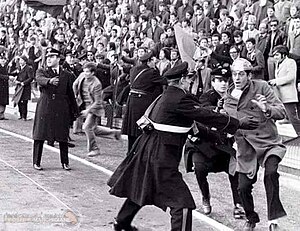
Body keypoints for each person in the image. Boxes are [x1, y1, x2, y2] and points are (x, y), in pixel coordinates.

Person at [108, 62, 258, 231]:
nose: (191, 82)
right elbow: (204, 115)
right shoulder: (179, 98)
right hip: (161, 156)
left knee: (144, 187)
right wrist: (238, 123)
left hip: (149, 151)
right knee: (183, 204)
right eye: (189, 79)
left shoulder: (167, 96)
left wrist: (218, 137)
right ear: (182, 81)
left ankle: (121, 223)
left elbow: (193, 126)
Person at [223, 58, 287, 231]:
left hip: (268, 142)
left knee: (271, 173)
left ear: (249, 75)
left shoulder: (262, 87)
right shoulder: (228, 97)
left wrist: (266, 108)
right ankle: (251, 218)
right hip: (245, 147)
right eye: (234, 74)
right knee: (242, 188)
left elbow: (281, 112)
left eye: (241, 74)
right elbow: (227, 121)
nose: (237, 78)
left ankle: (273, 219)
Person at [184, 67, 244, 218]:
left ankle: (238, 204)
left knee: (235, 169)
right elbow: (203, 107)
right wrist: (217, 110)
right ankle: (205, 197)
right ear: (213, 82)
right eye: (220, 81)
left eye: (226, 80)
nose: (223, 84)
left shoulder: (233, 97)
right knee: (199, 168)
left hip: (224, 144)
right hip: (205, 144)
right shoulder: (208, 96)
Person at [32, 48, 79, 171]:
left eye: (52, 57)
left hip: (60, 107)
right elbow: (39, 79)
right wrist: (49, 81)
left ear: (58, 59)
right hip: (45, 106)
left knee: (62, 136)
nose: (48, 59)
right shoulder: (41, 71)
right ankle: (36, 162)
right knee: (40, 135)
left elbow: (70, 94)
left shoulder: (66, 75)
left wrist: (75, 111)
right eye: (47, 57)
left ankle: (65, 162)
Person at [72, 62, 121, 157]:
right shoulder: (82, 76)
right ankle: (114, 133)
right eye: (84, 71)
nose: (85, 74)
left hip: (94, 108)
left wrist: (88, 110)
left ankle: (94, 149)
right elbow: (75, 84)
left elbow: (98, 102)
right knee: (94, 129)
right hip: (82, 104)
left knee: (86, 127)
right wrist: (75, 95)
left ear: (93, 73)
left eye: (87, 72)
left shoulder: (96, 84)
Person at [121, 51, 165, 152]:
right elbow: (163, 81)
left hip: (132, 101)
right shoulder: (151, 72)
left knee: (132, 129)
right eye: (153, 61)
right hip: (142, 102)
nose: (155, 63)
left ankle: (131, 151)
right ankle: (139, 152)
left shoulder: (134, 69)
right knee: (141, 127)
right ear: (149, 61)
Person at [268, 45, 300, 135]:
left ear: (284, 54)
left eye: (277, 55)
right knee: (276, 114)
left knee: (293, 118)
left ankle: (299, 134)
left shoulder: (290, 62)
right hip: (280, 95)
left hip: (289, 95)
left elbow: (291, 77)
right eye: (274, 55)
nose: (275, 57)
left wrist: (276, 81)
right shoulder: (278, 63)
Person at [14, 55, 34, 121]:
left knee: (24, 102)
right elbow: (17, 75)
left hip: (25, 87)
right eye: (20, 60)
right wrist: (15, 80)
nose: (20, 62)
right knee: (19, 101)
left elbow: (31, 78)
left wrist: (24, 83)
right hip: (19, 86)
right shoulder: (19, 68)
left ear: (25, 61)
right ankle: (20, 114)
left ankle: (24, 116)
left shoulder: (28, 68)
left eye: (22, 60)